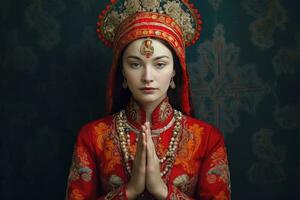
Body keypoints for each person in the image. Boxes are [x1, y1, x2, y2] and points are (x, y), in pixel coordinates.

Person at [65, 0, 231, 199]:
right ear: (122, 72)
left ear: (174, 71)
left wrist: (162, 190)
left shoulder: (207, 139)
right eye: (135, 64)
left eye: (160, 64)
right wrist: (130, 189)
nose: (147, 77)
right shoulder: (92, 137)